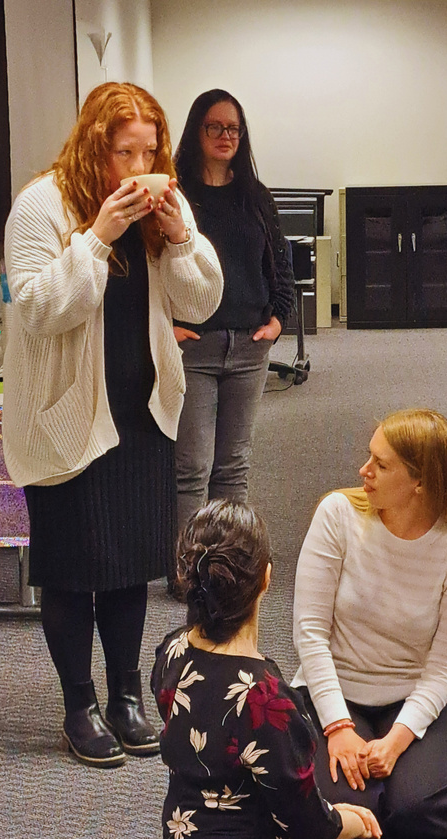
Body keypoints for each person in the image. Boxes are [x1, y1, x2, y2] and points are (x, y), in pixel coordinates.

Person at [2, 82, 223, 768]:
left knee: (129, 566)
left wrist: (180, 232)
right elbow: (38, 308)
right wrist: (98, 235)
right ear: (94, 144)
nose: (136, 166)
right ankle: (78, 706)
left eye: (148, 151)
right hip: (68, 413)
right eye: (123, 151)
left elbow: (203, 300)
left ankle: (126, 695)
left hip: (141, 411)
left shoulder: (165, 205)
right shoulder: (42, 204)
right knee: (71, 568)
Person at [152, 499, 447, 839]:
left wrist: (340, 818)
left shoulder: (172, 650)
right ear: (266, 577)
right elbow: (312, 830)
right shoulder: (263, 697)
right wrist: (348, 820)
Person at [292, 409, 447, 839]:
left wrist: (396, 742)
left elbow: (443, 669)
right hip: (333, 692)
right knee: (337, 806)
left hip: (411, 698)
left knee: (422, 811)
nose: (364, 471)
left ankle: (392, 792)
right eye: (370, 457)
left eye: (381, 466)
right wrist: (338, 728)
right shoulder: (337, 515)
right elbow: (309, 632)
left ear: (420, 482)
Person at [172, 89, 294, 532]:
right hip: (194, 349)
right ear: (196, 131)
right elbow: (154, 268)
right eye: (215, 127)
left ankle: (226, 567)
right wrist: (166, 326)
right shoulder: (176, 196)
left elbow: (279, 265)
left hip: (249, 347)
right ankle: (187, 570)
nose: (225, 136)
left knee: (233, 467)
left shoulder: (255, 196)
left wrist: (278, 321)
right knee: (192, 468)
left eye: (233, 129)